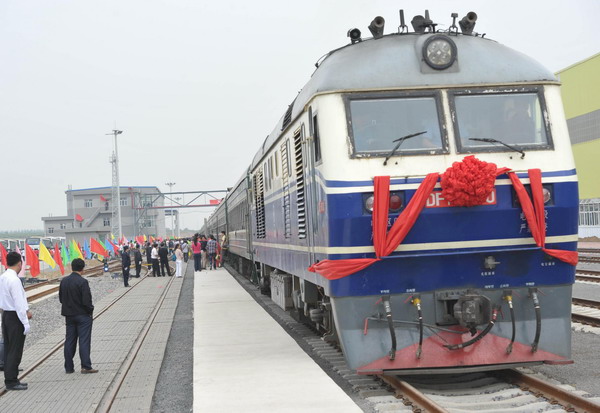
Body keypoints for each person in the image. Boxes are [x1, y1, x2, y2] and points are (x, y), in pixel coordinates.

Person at [59, 258, 98, 374]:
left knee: (69, 340)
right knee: (84, 340)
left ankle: (69, 367)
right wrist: (90, 310)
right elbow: (86, 301)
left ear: (72, 267)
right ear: (83, 269)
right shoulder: (82, 282)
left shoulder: (64, 281)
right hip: (83, 316)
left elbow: (61, 298)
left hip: (69, 316)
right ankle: (86, 366)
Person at [0, 252, 31, 390]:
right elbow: (19, 303)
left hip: (6, 315)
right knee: (15, 349)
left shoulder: (3, 277)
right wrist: (25, 323)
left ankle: (10, 377)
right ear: (20, 263)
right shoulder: (14, 280)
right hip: (15, 317)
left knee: (8, 348)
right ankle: (11, 381)